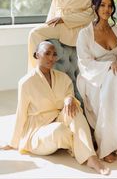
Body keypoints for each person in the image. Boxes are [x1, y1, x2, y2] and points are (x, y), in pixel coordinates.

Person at [1, 41, 109, 175]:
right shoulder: (26, 83)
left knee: (74, 110)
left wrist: (69, 98)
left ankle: (91, 158)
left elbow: (68, 95)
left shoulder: (63, 78)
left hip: (58, 118)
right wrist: (13, 142)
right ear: (37, 55)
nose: (51, 58)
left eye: (54, 54)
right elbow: (21, 113)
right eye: (47, 54)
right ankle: (83, 146)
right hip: (37, 130)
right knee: (60, 130)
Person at [76, 0, 117, 162]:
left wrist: (116, 66)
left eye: (110, 6)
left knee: (116, 77)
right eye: (102, 5)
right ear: (95, 6)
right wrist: (109, 66)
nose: (107, 9)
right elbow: (84, 63)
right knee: (113, 77)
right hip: (93, 77)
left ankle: (110, 143)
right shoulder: (85, 34)